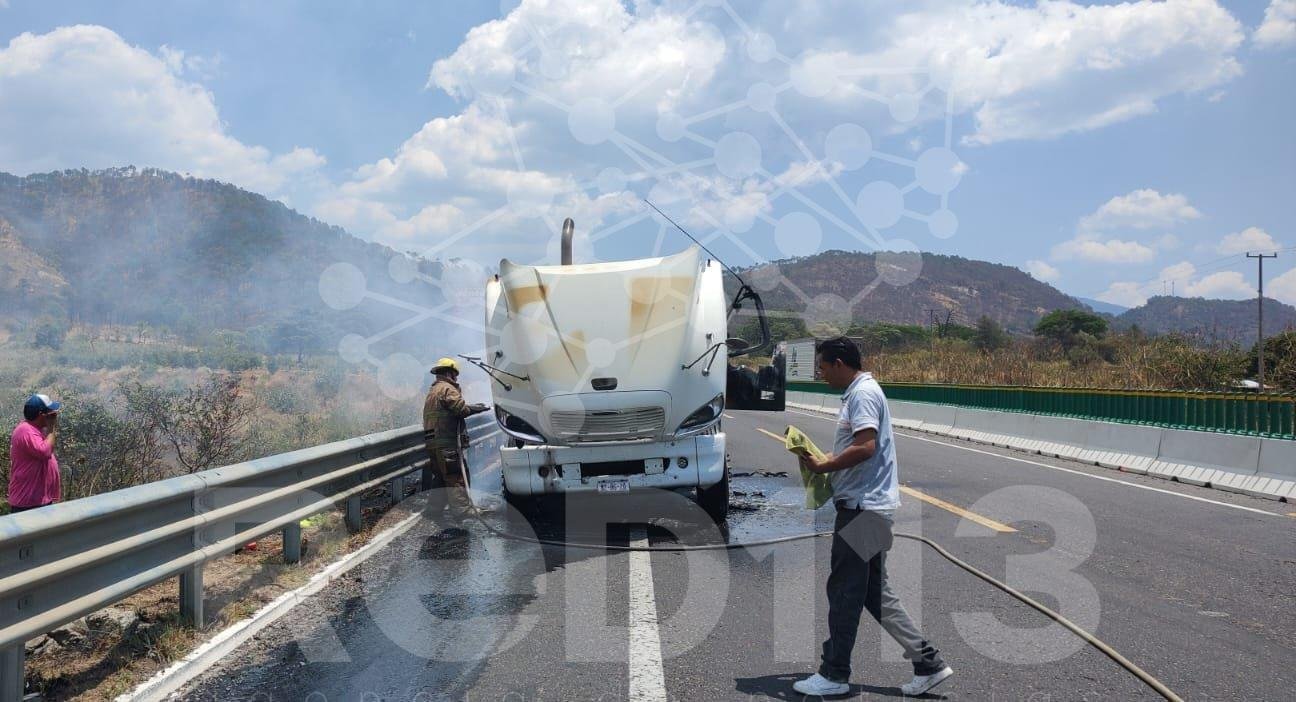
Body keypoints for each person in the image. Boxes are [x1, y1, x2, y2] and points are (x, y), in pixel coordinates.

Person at [792, 337, 954, 698]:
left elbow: (866, 446)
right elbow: (860, 444)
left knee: (845, 592)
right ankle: (928, 663)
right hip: (872, 509)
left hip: (863, 511)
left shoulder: (862, 394)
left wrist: (824, 464)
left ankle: (834, 675)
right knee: (874, 594)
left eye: (822, 367)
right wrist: (829, 461)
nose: (820, 374)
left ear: (838, 362)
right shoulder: (861, 392)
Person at [422, 358, 489, 522]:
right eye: (455, 375)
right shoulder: (447, 388)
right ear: (449, 373)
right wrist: (478, 408)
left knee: (440, 477)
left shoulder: (433, 390)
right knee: (455, 475)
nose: (456, 379)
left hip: (434, 443)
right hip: (446, 443)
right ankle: (462, 510)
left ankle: (433, 509)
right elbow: (461, 409)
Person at [8, 394, 63, 513]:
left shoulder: (34, 429)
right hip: (28, 502)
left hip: (38, 499)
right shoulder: (25, 430)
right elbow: (45, 452)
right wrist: (51, 428)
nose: (53, 415)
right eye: (50, 413)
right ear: (41, 415)